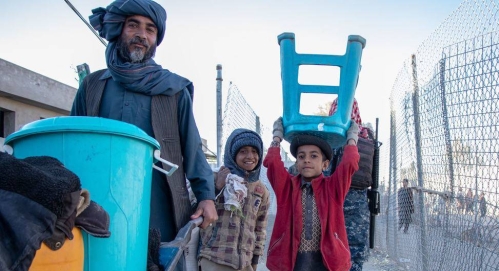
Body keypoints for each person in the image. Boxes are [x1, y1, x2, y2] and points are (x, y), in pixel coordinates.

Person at [70, 0, 217, 248]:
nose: (141, 34)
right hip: (98, 202)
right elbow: (73, 141)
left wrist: (206, 196)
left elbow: (192, 149)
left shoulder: (173, 89)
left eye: (150, 29)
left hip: (159, 205)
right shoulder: (92, 86)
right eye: (133, 25)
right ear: (118, 29)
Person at [263, 117, 360, 271]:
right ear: (296, 163)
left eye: (314, 156)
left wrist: (352, 138)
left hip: (326, 262)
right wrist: (277, 136)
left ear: (325, 164)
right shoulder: (287, 188)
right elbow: (273, 163)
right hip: (292, 261)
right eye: (301, 156)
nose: (306, 160)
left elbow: (349, 163)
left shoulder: (333, 188)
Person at [198, 129, 270, 271]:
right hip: (214, 259)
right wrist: (217, 188)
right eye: (243, 151)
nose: (250, 156)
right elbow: (195, 210)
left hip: (245, 264)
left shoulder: (261, 191)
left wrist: (254, 262)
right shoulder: (215, 178)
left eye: (254, 151)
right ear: (233, 154)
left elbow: (260, 229)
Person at [326, 98, 374, 271]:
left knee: (330, 256)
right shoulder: (366, 137)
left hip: (332, 207)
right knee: (354, 257)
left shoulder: (330, 139)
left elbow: (323, 175)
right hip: (359, 208)